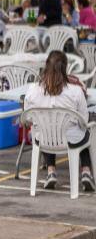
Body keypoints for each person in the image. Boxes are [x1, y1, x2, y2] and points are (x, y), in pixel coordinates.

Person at [24, 50, 94, 191]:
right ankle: (86, 171)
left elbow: (28, 118)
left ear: (46, 65)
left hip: (44, 140)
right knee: (86, 131)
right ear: (65, 68)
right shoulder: (76, 91)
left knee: (46, 129)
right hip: (71, 139)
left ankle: (51, 172)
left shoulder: (33, 90)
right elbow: (84, 120)